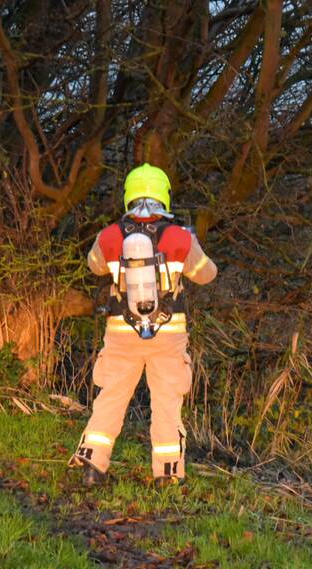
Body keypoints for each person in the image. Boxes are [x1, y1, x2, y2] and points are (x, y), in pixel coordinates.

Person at [69, 163, 217, 487]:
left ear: (129, 197)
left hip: (121, 334)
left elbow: (94, 267)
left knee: (111, 396)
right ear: (164, 195)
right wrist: (189, 246)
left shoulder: (109, 235)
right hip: (168, 337)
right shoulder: (179, 237)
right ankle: (167, 475)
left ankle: (92, 465)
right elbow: (208, 275)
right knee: (166, 402)